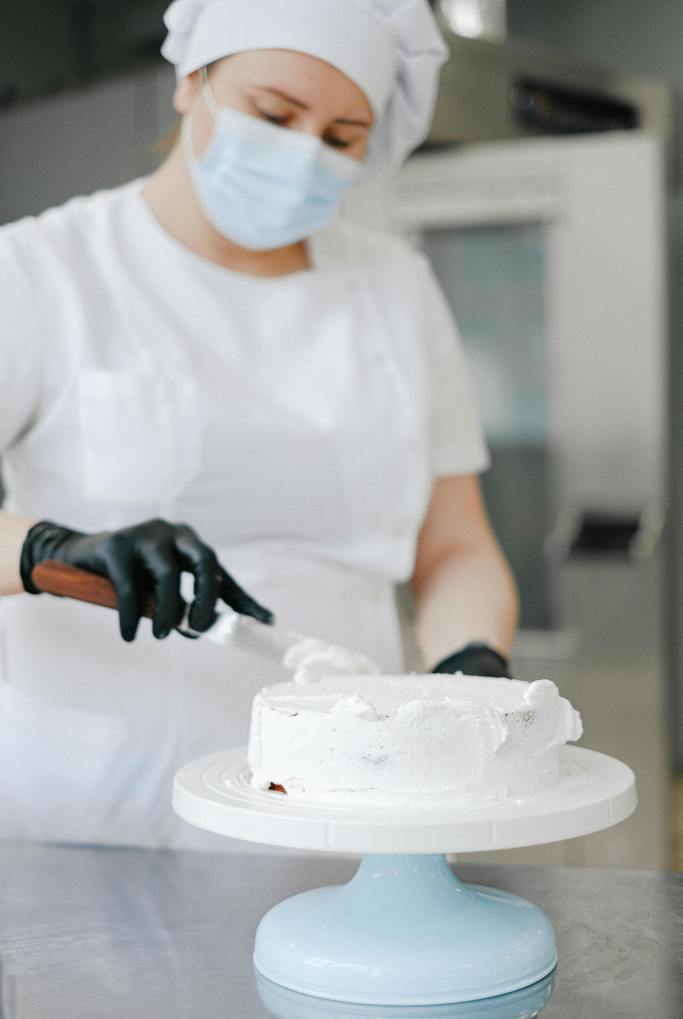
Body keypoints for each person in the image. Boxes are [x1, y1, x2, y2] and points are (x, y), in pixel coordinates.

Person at [0, 0, 518, 850]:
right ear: (190, 82)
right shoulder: (39, 273)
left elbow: (453, 546)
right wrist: (49, 550)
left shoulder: (395, 290)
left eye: (341, 135)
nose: (300, 151)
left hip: (350, 796)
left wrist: (471, 667)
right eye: (274, 114)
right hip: (100, 815)